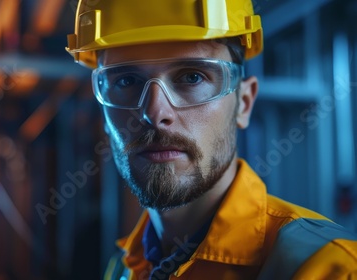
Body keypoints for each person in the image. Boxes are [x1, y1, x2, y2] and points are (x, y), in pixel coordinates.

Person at [66, 0, 357, 279]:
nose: (155, 113)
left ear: (243, 102)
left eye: (192, 77)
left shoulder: (330, 269)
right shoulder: (125, 266)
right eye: (126, 81)